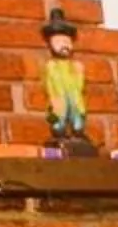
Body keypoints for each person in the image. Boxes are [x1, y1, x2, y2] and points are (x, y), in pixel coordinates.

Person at [40, 8, 96, 156]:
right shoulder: (51, 66)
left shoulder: (76, 66)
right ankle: (61, 133)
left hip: (75, 98)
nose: (64, 45)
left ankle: (77, 132)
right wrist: (56, 101)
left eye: (67, 41)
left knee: (78, 119)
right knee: (59, 121)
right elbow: (51, 86)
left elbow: (79, 85)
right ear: (50, 44)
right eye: (59, 41)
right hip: (59, 98)